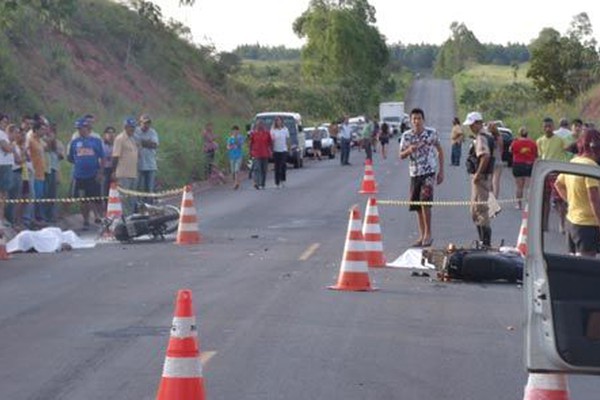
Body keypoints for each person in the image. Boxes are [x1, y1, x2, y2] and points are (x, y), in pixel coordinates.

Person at [399, 108, 445, 247]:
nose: (417, 121)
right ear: (411, 121)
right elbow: (400, 155)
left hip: (429, 171)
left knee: (425, 201)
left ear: (423, 120)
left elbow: (440, 150)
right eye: (414, 119)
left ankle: (428, 234)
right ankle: (422, 235)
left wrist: (441, 171)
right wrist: (409, 150)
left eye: (419, 118)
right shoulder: (406, 136)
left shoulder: (431, 133)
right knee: (418, 206)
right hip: (414, 172)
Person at [554, 129, 600, 257]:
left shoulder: (574, 162)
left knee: (574, 264)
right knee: (587, 267)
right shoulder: (591, 167)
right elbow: (594, 199)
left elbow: (558, 183)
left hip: (572, 222)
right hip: (588, 225)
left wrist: (572, 200)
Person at [463, 111, 494, 246]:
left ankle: (485, 242)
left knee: (480, 210)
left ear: (479, 123)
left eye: (472, 124)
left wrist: (478, 174)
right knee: (475, 210)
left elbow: (485, 156)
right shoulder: (487, 135)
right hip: (482, 177)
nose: (470, 127)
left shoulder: (482, 137)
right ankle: (483, 241)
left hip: (481, 178)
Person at [68, 118, 104, 230]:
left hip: (93, 175)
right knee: (83, 200)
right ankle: (86, 220)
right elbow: (71, 157)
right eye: (78, 129)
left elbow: (102, 158)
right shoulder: (74, 142)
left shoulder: (96, 141)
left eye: (82, 128)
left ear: (87, 128)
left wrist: (100, 172)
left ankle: (101, 218)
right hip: (80, 176)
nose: (80, 131)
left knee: (97, 199)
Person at [537, 117, 568, 233]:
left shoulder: (560, 140)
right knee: (545, 200)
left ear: (553, 127)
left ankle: (562, 224)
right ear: (543, 128)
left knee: (560, 200)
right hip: (545, 173)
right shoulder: (540, 141)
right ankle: (544, 225)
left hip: (557, 173)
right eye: (545, 127)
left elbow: (567, 151)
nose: (548, 129)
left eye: (550, 126)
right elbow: (540, 156)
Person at [112, 118, 139, 215]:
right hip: (123, 173)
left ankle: (131, 216)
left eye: (133, 127)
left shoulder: (133, 139)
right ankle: (126, 218)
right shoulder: (120, 139)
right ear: (125, 127)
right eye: (130, 127)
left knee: (132, 198)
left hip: (133, 173)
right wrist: (113, 171)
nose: (132, 129)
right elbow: (115, 156)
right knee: (124, 199)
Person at [509, 127, 538, 210]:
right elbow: (536, 154)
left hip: (518, 165)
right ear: (527, 134)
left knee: (519, 187)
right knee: (528, 186)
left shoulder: (515, 142)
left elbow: (510, 151)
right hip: (529, 165)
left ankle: (518, 204)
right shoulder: (532, 143)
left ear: (519, 133)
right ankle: (528, 204)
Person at [134, 114, 159, 201]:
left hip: (150, 164)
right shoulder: (135, 131)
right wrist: (147, 143)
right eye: (144, 123)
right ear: (140, 123)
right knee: (138, 188)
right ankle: (138, 207)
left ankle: (149, 207)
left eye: (148, 123)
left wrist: (142, 142)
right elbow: (134, 143)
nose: (146, 125)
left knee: (149, 189)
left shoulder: (153, 132)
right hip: (138, 165)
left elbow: (154, 145)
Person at [28, 120, 47, 225]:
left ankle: (37, 218)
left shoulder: (40, 141)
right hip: (34, 173)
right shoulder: (30, 140)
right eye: (42, 129)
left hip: (41, 172)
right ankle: (32, 219)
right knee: (34, 197)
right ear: (36, 130)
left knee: (39, 197)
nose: (44, 131)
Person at [44, 123, 64, 222]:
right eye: (50, 131)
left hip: (54, 169)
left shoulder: (58, 143)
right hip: (44, 170)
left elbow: (61, 156)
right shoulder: (43, 141)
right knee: (44, 194)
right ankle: (44, 216)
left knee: (52, 194)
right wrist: (49, 142)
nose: (52, 133)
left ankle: (51, 216)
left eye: (53, 132)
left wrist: (55, 148)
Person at [249, 119, 272, 189]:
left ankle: (263, 183)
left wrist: (271, 151)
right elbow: (251, 143)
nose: (259, 126)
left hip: (265, 153)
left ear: (263, 125)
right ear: (256, 125)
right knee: (257, 168)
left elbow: (270, 143)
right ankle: (257, 183)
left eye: (261, 124)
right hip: (256, 153)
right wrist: (250, 152)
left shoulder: (267, 133)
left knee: (264, 169)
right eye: (258, 124)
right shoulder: (253, 134)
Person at [0, 114, 14, 228]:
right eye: (4, 122)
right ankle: (1, 218)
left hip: (5, 165)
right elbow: (7, 148)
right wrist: (11, 146)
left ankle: (2, 217)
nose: (5, 124)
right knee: (2, 193)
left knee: (4, 194)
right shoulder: (1, 134)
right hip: (3, 165)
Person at [487, 121, 504, 198]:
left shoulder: (487, 137)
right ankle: (495, 198)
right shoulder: (499, 137)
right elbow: (501, 149)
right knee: (496, 181)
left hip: (489, 160)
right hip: (498, 159)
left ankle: (490, 198)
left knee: (489, 180)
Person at [270, 117, 289, 188]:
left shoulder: (285, 129)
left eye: (280, 121)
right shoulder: (273, 130)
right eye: (277, 121)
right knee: (277, 167)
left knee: (283, 165)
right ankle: (277, 182)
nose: (279, 122)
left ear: (282, 122)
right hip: (276, 150)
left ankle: (283, 180)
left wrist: (288, 148)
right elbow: (271, 140)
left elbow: (287, 139)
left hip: (284, 149)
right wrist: (271, 150)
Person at [227, 125, 244, 190]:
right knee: (233, 171)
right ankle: (236, 181)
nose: (235, 132)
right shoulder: (230, 138)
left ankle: (236, 183)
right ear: (232, 131)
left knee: (236, 170)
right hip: (232, 156)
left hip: (239, 156)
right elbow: (228, 146)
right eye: (234, 131)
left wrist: (236, 138)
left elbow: (240, 144)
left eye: (236, 131)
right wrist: (230, 147)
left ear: (238, 131)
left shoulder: (240, 137)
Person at [101, 126, 115, 199]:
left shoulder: (116, 144)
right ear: (105, 135)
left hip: (114, 169)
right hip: (105, 169)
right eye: (109, 133)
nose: (111, 135)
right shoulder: (102, 145)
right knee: (105, 189)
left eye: (112, 133)